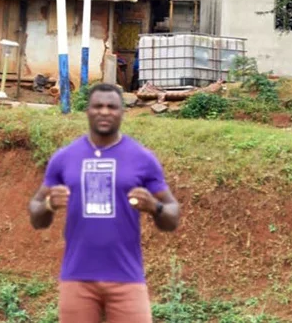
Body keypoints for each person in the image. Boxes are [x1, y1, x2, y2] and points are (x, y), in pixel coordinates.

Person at [28, 82, 180, 323]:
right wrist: (48, 205)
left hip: (127, 277)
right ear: (87, 111)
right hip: (77, 277)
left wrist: (155, 206)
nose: (105, 112)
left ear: (122, 112)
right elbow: (36, 215)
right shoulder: (65, 158)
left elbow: (172, 216)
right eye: (98, 106)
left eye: (112, 107)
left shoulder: (142, 158)